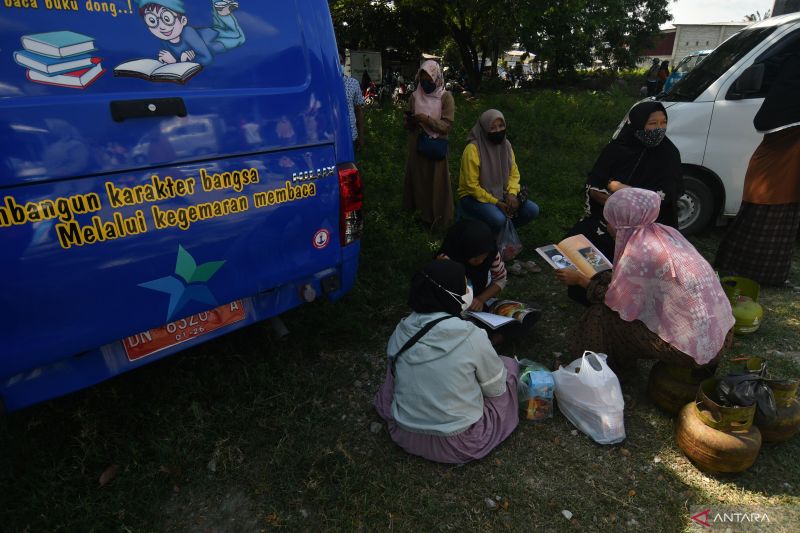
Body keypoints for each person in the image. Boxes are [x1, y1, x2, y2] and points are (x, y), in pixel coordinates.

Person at [556, 188, 734, 378]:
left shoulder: (638, 253)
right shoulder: (666, 233)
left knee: (601, 315)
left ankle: (601, 373)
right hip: (721, 332)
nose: (607, 225)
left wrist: (581, 280)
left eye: (610, 220)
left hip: (693, 350)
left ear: (622, 225)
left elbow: (613, 302)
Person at [373, 259, 520, 464]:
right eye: (464, 284)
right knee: (509, 369)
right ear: (449, 293)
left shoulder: (402, 329)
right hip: (458, 444)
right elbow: (495, 390)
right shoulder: (471, 336)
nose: (468, 287)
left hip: (405, 434)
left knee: (393, 375)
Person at [715, 53, 800, 286]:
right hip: (774, 166)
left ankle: (770, 276)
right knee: (759, 215)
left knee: (783, 221)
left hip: (784, 175)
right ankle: (743, 271)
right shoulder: (787, 92)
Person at [567, 101, 683, 268]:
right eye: (652, 123)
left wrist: (619, 190)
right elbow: (594, 187)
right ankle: (593, 283)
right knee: (575, 245)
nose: (659, 128)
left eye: (663, 122)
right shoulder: (616, 149)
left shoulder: (669, 154)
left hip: (648, 225)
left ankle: (618, 286)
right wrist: (616, 209)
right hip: (606, 218)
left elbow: (664, 196)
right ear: (637, 123)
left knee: (633, 261)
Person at [437, 220, 539, 343]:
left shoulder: (491, 253)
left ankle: (490, 341)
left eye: (484, 257)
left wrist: (481, 299)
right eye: (475, 258)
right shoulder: (445, 261)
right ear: (462, 249)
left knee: (525, 315)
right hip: (454, 311)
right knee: (453, 333)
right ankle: (485, 341)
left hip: (481, 306)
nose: (480, 261)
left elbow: (500, 279)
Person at [457, 109, 540, 234]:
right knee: (499, 218)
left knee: (532, 210)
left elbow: (514, 173)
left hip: (502, 193)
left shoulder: (505, 145)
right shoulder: (472, 149)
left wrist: (512, 194)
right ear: (484, 129)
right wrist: (496, 203)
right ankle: (495, 235)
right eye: (492, 128)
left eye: (501, 126)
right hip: (472, 197)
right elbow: (471, 186)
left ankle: (502, 233)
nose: (498, 131)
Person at [402, 60, 455, 231]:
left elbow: (446, 126)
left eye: (429, 79)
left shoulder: (445, 97)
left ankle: (438, 220)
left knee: (436, 183)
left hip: (436, 146)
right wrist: (410, 121)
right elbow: (407, 126)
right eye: (422, 79)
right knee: (418, 181)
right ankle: (419, 218)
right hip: (417, 146)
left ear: (437, 78)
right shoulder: (414, 96)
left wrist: (427, 120)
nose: (425, 83)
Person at [340, 52, 365, 152]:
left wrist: (361, 137)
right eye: (335, 61)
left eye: (341, 61)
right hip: (330, 138)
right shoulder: (323, 85)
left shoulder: (353, 83)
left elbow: (359, 112)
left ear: (345, 62)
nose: (338, 64)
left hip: (351, 137)